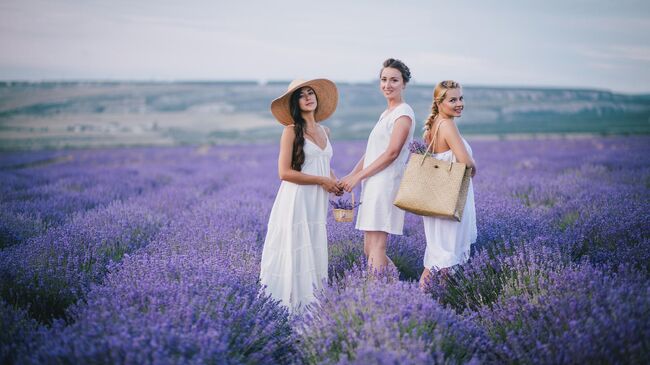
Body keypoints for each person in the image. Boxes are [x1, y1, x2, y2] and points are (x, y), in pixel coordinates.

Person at [259, 78, 342, 313]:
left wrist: (334, 182)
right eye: (301, 95)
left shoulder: (325, 131)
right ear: (296, 103)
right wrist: (321, 180)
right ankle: (289, 309)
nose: (308, 98)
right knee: (296, 249)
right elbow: (284, 173)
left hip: (316, 200)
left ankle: (311, 308)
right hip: (297, 199)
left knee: (313, 247)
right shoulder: (291, 131)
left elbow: (322, 163)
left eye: (310, 93)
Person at [340, 58, 415, 272]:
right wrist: (352, 175)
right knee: (368, 248)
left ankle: (378, 294)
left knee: (377, 247)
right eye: (383, 79)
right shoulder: (386, 114)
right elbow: (373, 153)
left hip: (386, 184)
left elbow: (391, 153)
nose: (387, 85)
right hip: (373, 183)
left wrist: (358, 177)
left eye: (394, 80)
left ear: (404, 84)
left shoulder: (403, 113)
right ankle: (395, 290)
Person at [419, 80, 477, 288]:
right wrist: (474, 167)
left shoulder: (434, 124)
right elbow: (465, 163)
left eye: (461, 98)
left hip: (437, 198)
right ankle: (437, 305)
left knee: (437, 256)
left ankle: (421, 302)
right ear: (439, 102)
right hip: (451, 199)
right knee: (448, 259)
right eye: (453, 100)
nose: (459, 103)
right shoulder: (447, 124)